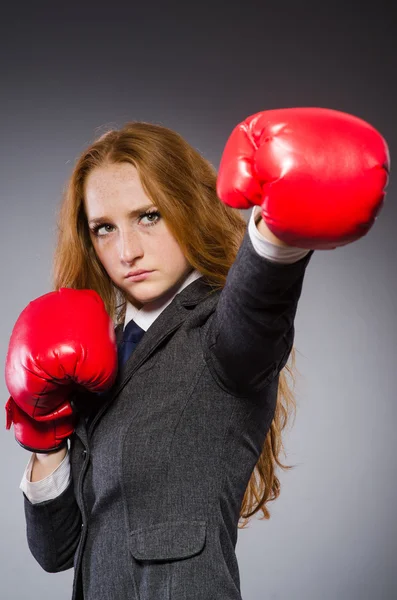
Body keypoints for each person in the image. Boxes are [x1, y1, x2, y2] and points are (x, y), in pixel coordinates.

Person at [5, 108, 389, 600]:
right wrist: (45, 434)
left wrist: (273, 234)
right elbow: (55, 553)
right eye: (105, 228)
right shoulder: (92, 354)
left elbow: (259, 304)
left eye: (149, 216)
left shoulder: (219, 335)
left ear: (186, 207)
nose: (128, 251)